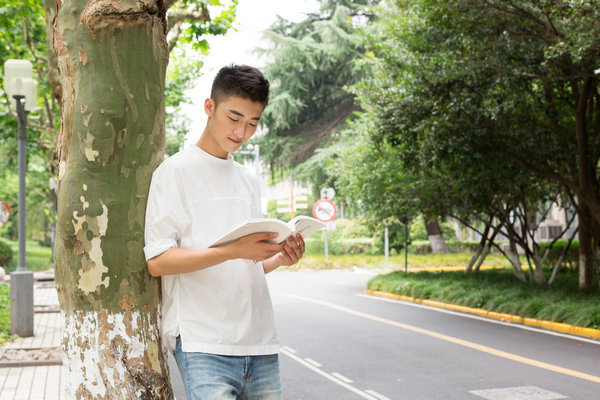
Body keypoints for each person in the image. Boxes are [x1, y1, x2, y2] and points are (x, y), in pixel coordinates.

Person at [143, 64, 305, 399]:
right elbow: (158, 261)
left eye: (252, 123)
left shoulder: (247, 180)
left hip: (260, 343)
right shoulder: (174, 172)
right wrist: (235, 250)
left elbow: (246, 265)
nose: (242, 132)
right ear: (209, 107)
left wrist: (279, 258)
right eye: (234, 118)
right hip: (204, 344)